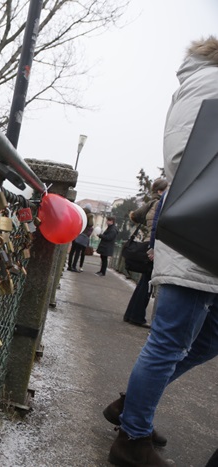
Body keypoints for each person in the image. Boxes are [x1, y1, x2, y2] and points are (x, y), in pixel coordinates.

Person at [104, 36, 218, 466]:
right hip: (201, 233)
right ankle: (131, 439)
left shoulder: (206, 79)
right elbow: (186, 156)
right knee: (170, 342)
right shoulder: (211, 80)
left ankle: (132, 406)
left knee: (206, 341)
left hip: (205, 234)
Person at [122, 179, 168, 327]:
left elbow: (134, 216)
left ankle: (131, 314)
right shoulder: (162, 203)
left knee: (144, 281)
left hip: (147, 243)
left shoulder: (151, 203)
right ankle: (137, 316)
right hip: (155, 245)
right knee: (147, 283)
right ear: (160, 191)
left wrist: (146, 227)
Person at [68, 204, 94, 272]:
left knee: (72, 250)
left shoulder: (80, 212)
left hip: (76, 233)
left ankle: (69, 266)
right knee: (78, 252)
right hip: (82, 236)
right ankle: (74, 266)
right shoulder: (90, 216)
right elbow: (91, 225)